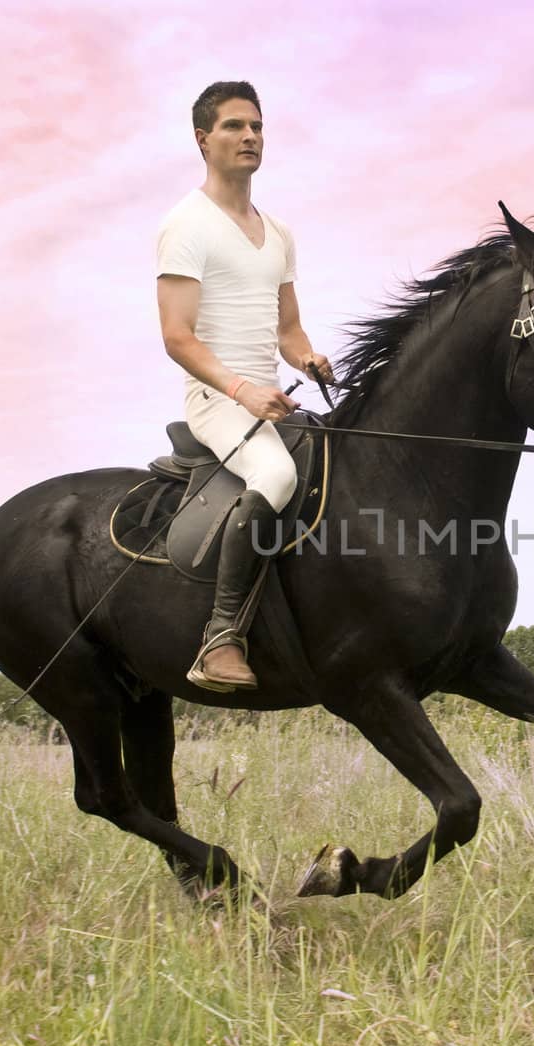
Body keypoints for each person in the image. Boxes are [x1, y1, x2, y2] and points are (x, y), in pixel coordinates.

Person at [155, 80, 334, 692]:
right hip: (217, 399)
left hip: (270, 397)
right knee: (278, 477)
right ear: (203, 140)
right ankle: (221, 637)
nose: (250, 136)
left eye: (256, 126)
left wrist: (308, 358)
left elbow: (288, 329)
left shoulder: (278, 231)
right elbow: (177, 337)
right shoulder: (186, 225)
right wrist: (240, 390)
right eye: (234, 126)